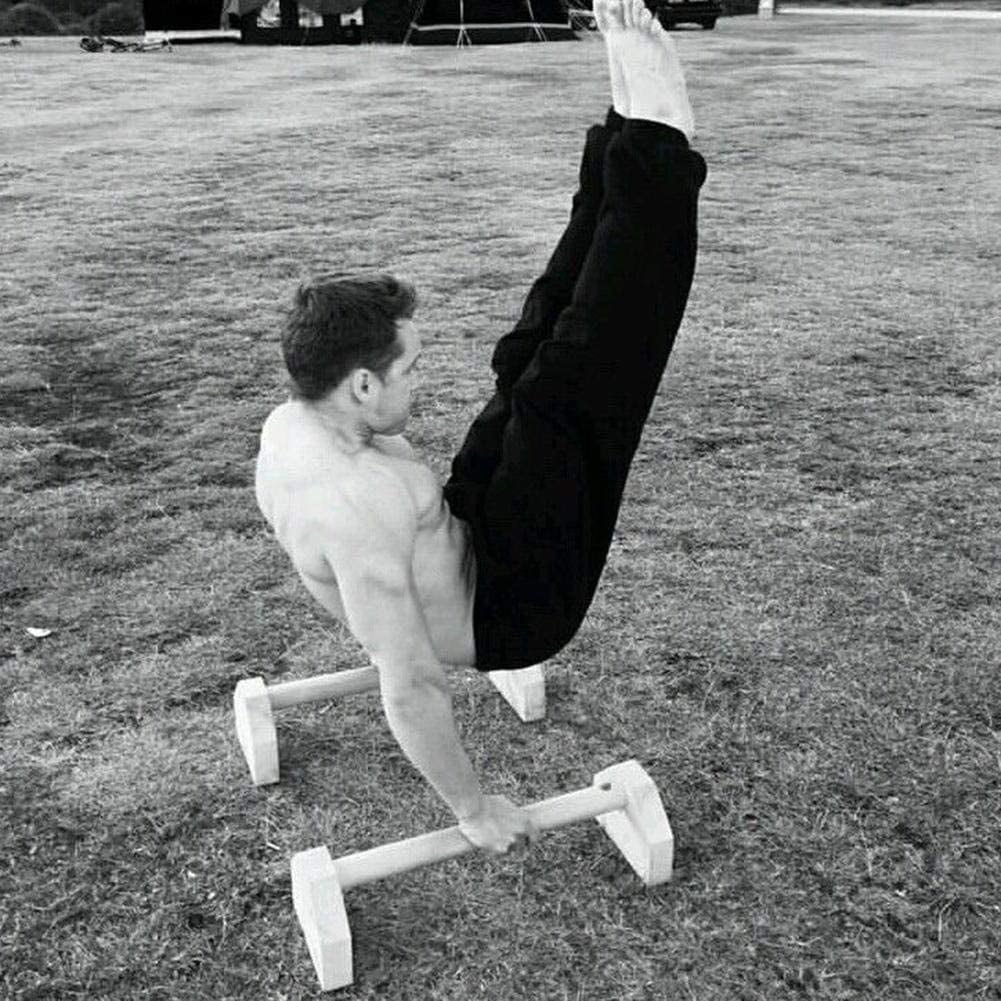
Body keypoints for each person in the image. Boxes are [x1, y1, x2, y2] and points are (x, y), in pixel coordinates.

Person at [254, 0, 707, 855]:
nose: (421, 379)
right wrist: (471, 806)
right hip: (516, 603)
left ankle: (621, 136)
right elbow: (411, 684)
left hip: (465, 527)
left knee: (528, 359)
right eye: (408, 368)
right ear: (358, 382)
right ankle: (658, 151)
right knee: (588, 373)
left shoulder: (301, 419)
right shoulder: (352, 503)